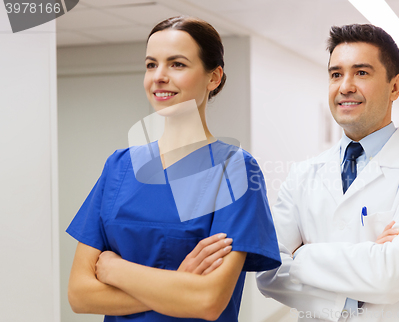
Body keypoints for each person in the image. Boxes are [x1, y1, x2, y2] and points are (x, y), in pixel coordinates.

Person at [67, 16, 280, 322]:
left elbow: (207, 300)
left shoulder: (235, 170)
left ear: (214, 77)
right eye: (151, 64)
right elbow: (79, 294)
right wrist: (177, 284)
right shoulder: (119, 166)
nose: (159, 76)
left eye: (177, 64)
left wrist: (116, 269)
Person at [256, 24, 399, 322]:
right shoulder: (303, 175)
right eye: (336, 74)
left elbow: (393, 273)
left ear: (395, 86)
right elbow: (268, 270)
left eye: (361, 73)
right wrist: (352, 290)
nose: (345, 86)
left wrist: (302, 255)